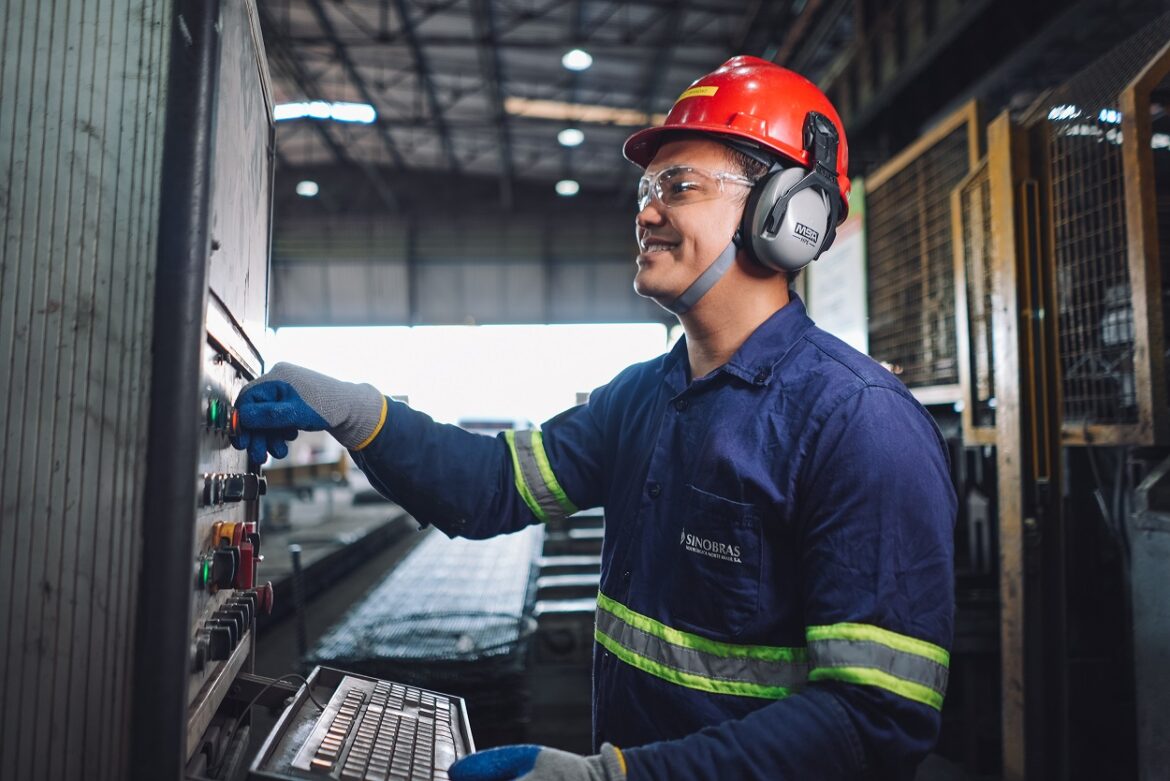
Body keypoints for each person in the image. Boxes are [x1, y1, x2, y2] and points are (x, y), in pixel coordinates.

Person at [234, 56, 955, 781]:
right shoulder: (640, 397)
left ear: (788, 216)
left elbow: (873, 720)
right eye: (646, 189)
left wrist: (613, 777)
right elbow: (490, 486)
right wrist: (351, 407)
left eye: (679, 186)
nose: (644, 212)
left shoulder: (856, 423)